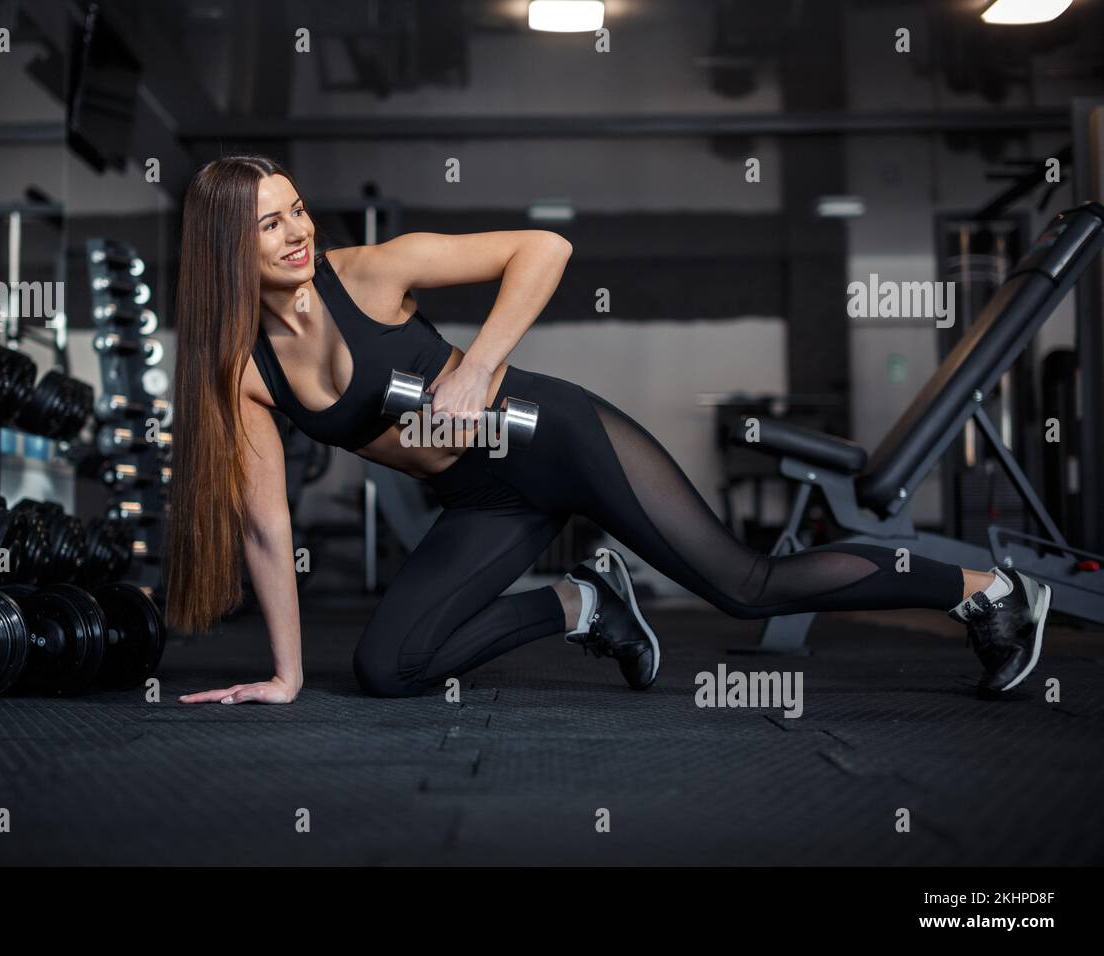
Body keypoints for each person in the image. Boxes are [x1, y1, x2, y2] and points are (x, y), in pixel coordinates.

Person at [166, 155, 1050, 705]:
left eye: (296, 209)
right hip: (481, 498)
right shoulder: (245, 371)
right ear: (222, 251)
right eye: (269, 223)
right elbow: (267, 525)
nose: (297, 232)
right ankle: (588, 602)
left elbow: (543, 250)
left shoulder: (367, 272)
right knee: (388, 668)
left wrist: (475, 366)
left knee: (745, 585)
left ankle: (987, 590)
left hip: (559, 437)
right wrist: (284, 677)